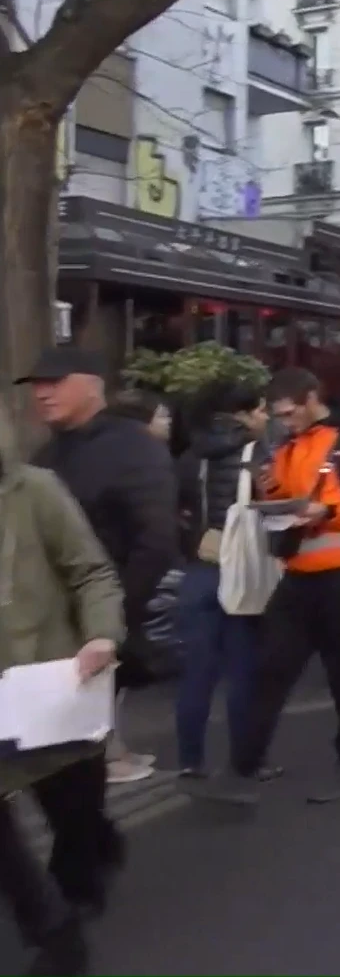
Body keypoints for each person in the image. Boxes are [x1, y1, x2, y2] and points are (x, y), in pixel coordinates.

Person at [185, 368, 340, 806]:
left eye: (290, 412)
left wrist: (328, 512)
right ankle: (244, 765)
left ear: (312, 397)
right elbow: (281, 492)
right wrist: (271, 493)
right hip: (298, 574)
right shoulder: (286, 447)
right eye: (279, 415)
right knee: (271, 668)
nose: (285, 420)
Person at [0, 394, 124, 973]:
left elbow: (92, 570)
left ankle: (85, 869)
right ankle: (54, 931)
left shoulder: (34, 491)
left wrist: (100, 635)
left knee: (73, 819)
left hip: (49, 687)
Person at [20, 346, 176, 796]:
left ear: (91, 385)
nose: (42, 393)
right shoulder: (48, 453)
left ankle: (105, 758)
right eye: (37, 386)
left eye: (54, 382)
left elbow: (156, 538)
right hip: (52, 611)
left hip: (105, 603)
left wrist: (115, 612)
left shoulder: (131, 447)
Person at [172, 380, 275, 780]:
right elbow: (271, 504)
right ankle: (246, 762)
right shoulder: (256, 452)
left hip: (200, 566)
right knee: (243, 668)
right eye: (261, 409)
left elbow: (176, 508)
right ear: (243, 414)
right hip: (242, 570)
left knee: (197, 671)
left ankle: (190, 760)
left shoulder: (191, 452)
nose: (265, 417)